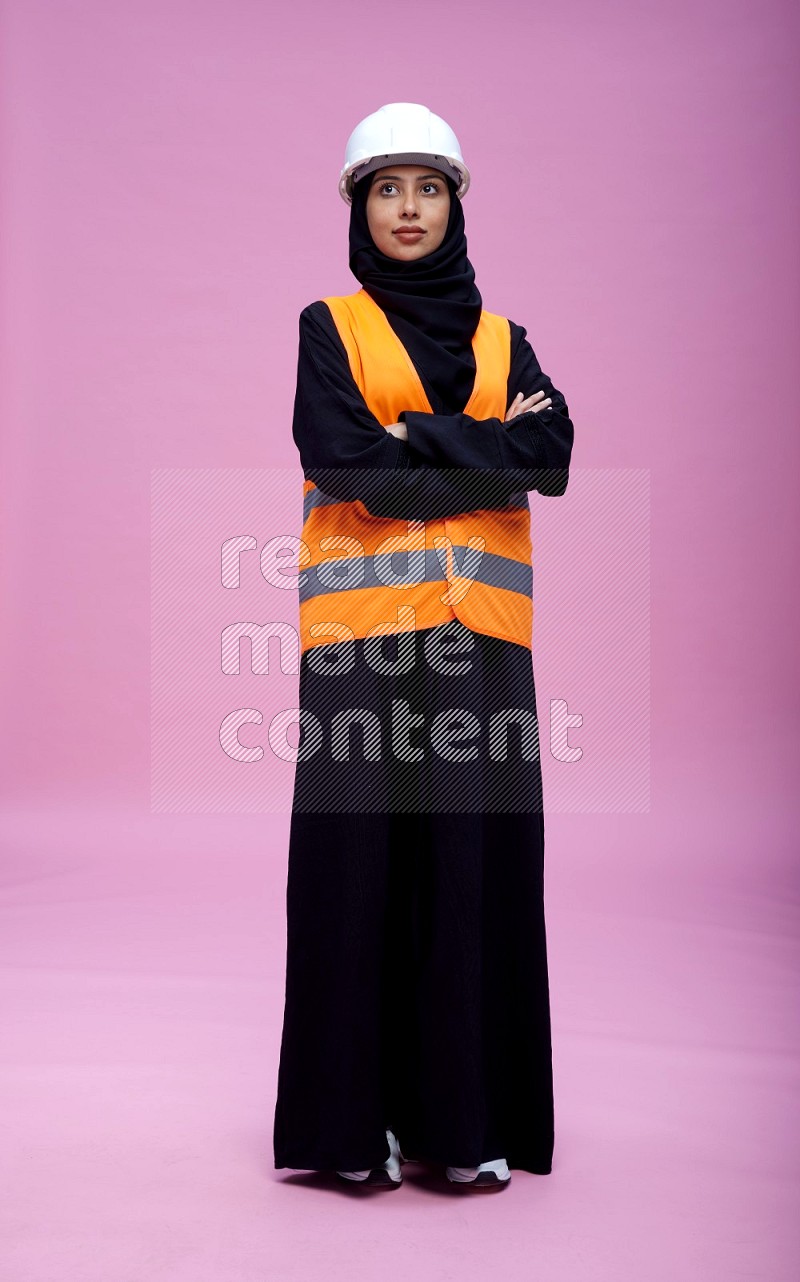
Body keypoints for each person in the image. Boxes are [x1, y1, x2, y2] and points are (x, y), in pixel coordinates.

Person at [272, 103, 574, 1192]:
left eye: (427, 188)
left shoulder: (504, 337)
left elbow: (552, 453)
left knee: (470, 871)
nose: (408, 208)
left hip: (480, 643)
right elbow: (345, 464)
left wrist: (419, 436)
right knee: (356, 877)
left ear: (454, 205)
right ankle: (350, 1130)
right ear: (359, 205)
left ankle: (461, 1124)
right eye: (386, 188)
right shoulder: (329, 326)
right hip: (359, 645)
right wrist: (479, 450)